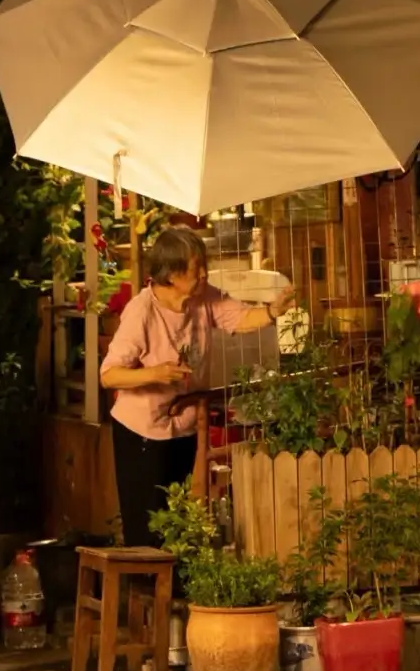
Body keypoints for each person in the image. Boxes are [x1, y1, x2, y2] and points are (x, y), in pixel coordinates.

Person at [100, 225, 296, 546]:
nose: (204, 273)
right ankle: (150, 591)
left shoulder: (203, 297)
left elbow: (240, 318)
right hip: (141, 431)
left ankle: (178, 590)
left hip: (184, 424)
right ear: (172, 274)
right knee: (149, 529)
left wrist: (273, 311)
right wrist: (154, 374)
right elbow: (109, 374)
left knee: (179, 522)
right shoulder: (142, 312)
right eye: (196, 267)